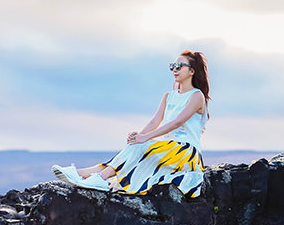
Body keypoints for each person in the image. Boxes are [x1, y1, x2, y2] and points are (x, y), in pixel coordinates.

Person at [52, 51, 210, 198]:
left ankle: (95, 177)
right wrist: (139, 137)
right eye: (172, 66)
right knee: (135, 146)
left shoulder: (196, 96)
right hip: (167, 147)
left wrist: (145, 138)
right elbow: (155, 121)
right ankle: (81, 173)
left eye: (179, 66)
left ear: (192, 71)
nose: (174, 69)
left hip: (186, 152)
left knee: (141, 145)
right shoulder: (168, 96)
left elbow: (178, 122)